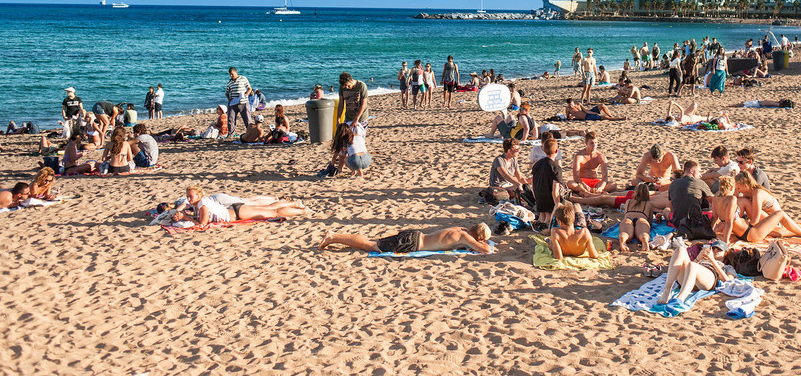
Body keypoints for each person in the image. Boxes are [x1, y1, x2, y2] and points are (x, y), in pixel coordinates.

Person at [173, 184, 309, 225]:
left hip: (237, 213)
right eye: (187, 197)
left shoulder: (202, 204)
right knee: (270, 208)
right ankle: (296, 204)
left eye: (190, 196)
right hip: (234, 210)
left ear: (198, 195)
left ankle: (302, 211)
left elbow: (202, 224)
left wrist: (186, 218)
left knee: (273, 212)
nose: (188, 199)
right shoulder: (200, 203)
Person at [319, 223, 492, 254]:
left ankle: (335, 236)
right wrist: (481, 243)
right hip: (413, 243)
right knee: (369, 245)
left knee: (372, 241)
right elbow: (486, 250)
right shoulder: (464, 237)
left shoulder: (460, 229)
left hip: (415, 235)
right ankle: (333, 237)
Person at [711, 176, 788, 245]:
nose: (737, 190)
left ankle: (795, 232)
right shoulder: (731, 199)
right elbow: (728, 222)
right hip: (750, 233)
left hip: (741, 233)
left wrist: (711, 233)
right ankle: (800, 233)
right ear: (731, 188)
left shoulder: (716, 196)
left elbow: (715, 218)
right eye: (736, 188)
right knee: (780, 214)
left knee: (779, 232)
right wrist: (726, 241)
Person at [734, 172, 801, 238]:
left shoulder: (757, 194)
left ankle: (800, 233)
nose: (738, 190)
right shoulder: (748, 193)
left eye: (738, 188)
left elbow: (755, 219)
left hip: (777, 222)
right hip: (768, 219)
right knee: (743, 201)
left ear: (745, 185)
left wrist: (745, 228)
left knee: (744, 202)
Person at [656, 242, 733, 307]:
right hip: (689, 276)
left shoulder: (727, 267)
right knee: (680, 249)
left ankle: (680, 298)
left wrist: (712, 260)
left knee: (693, 265)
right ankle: (667, 291)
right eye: (714, 249)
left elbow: (728, 281)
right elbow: (690, 268)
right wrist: (698, 259)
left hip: (709, 278)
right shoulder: (700, 260)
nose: (716, 251)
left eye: (719, 250)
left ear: (725, 253)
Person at [668, 160, 715, 239]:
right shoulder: (699, 182)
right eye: (699, 171)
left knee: (666, 211)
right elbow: (714, 201)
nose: (700, 175)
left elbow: (670, 205)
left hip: (677, 222)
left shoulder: (673, 183)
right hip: (695, 222)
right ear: (692, 171)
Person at [531, 137, 563, 227]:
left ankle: (541, 225)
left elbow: (533, 183)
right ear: (556, 151)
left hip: (539, 197)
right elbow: (555, 191)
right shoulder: (556, 168)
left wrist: (536, 198)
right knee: (548, 217)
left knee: (542, 215)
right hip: (549, 199)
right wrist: (558, 206)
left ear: (544, 150)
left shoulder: (537, 164)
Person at [618, 184, 655, 252]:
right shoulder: (649, 204)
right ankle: (644, 241)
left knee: (626, 234)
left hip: (628, 219)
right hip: (641, 219)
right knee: (643, 233)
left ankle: (623, 240)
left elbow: (625, 214)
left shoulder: (628, 201)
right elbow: (650, 221)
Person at [225, 67, 253, 136]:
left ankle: (251, 133)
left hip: (243, 102)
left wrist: (246, 94)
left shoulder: (243, 79)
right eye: (230, 74)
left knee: (247, 119)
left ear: (236, 72)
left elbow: (249, 88)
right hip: (233, 103)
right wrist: (229, 99)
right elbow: (226, 92)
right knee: (231, 119)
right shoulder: (229, 82)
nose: (231, 76)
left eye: (232, 74)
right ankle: (230, 134)